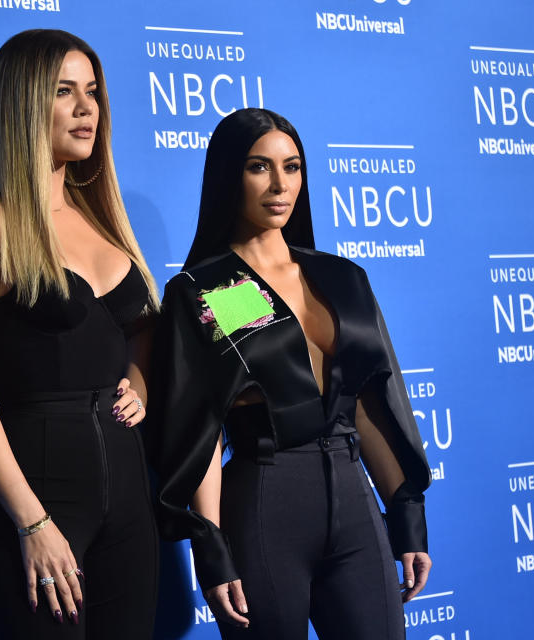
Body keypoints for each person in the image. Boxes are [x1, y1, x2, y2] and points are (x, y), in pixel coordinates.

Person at [150, 108, 433, 640]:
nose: (280, 185)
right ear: (228, 175)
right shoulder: (206, 289)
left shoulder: (343, 277)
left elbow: (368, 403)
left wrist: (406, 513)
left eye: (293, 167)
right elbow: (202, 429)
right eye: (260, 167)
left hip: (353, 498)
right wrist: (210, 544)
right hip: (263, 502)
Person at [0, 29, 160, 639]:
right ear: (24, 102)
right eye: (65, 92)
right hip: (33, 495)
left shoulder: (102, 215)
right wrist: (31, 522)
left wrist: (138, 378)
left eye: (94, 92)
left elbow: (141, 332)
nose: (88, 108)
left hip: (130, 498)